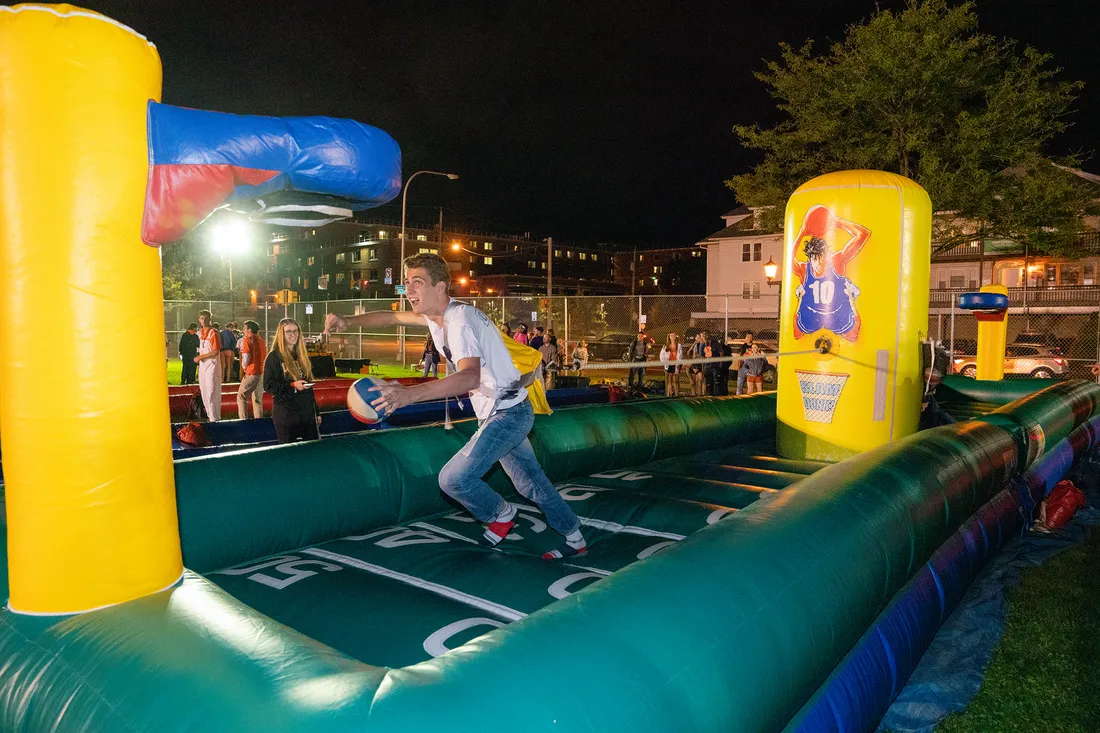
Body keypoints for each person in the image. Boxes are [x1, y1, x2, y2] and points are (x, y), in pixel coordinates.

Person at [324, 252, 587, 559]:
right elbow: (390, 316)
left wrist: (408, 395)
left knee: (454, 479)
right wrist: (348, 321)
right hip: (503, 410)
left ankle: (501, 514)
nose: (409, 290)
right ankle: (575, 536)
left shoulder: (460, 322)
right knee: (529, 482)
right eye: (407, 282)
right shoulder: (439, 316)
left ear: (441, 287)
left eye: (417, 283)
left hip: (508, 414)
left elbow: (468, 378)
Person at [791, 204, 871, 343]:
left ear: (827, 256)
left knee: (853, 334)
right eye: (815, 259)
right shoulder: (805, 269)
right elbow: (789, 261)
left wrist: (837, 222)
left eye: (822, 257)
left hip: (837, 315)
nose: (819, 262)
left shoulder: (836, 261)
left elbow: (863, 234)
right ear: (810, 259)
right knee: (797, 331)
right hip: (812, 315)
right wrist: (802, 232)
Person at [264, 318, 320, 443]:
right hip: (286, 412)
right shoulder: (274, 357)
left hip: (306, 412)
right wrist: (292, 385)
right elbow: (268, 385)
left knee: (312, 450)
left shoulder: (301, 356)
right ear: (281, 334)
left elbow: (309, 389)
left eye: (295, 331)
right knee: (289, 453)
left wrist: (316, 412)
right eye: (288, 331)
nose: (293, 334)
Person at [195, 310, 222, 421]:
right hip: (203, 366)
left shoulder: (213, 333)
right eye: (202, 318)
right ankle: (210, 415)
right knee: (204, 390)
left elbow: (215, 351)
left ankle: (214, 417)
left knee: (212, 390)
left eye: (206, 318)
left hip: (212, 365)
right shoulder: (201, 333)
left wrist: (200, 357)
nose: (203, 320)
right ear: (199, 319)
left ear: (210, 319)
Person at [236, 320, 266, 419]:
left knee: (241, 397)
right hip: (261, 371)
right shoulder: (261, 340)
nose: (243, 330)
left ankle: (243, 420)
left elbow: (246, 357)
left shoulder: (247, 340)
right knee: (257, 399)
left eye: (244, 328)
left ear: (249, 330)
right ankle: (259, 420)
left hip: (252, 372)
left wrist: (244, 368)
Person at [660, 333, 683, 397]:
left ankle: (676, 395)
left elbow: (680, 355)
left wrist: (678, 364)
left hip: (676, 364)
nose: (672, 336)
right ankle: (668, 395)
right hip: (668, 364)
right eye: (671, 335)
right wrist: (664, 363)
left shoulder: (679, 345)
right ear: (669, 337)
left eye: (674, 335)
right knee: (668, 380)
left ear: (676, 337)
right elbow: (662, 355)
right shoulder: (665, 345)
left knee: (676, 380)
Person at [736, 331, 755, 395]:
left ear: (752, 338)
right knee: (739, 385)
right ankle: (738, 397)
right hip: (743, 367)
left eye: (750, 337)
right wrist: (739, 365)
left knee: (750, 386)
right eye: (747, 337)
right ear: (745, 338)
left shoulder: (754, 346)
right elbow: (740, 356)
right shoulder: (743, 346)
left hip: (751, 368)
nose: (749, 338)